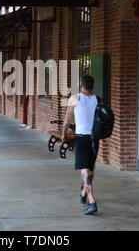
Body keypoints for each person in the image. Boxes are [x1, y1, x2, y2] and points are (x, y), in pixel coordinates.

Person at [61, 74, 100, 215]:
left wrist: (63, 133)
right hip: (94, 139)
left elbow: (67, 119)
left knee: (84, 171)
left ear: (81, 86)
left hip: (82, 138)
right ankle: (84, 193)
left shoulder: (75, 98)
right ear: (92, 87)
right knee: (90, 170)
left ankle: (92, 202)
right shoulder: (97, 99)